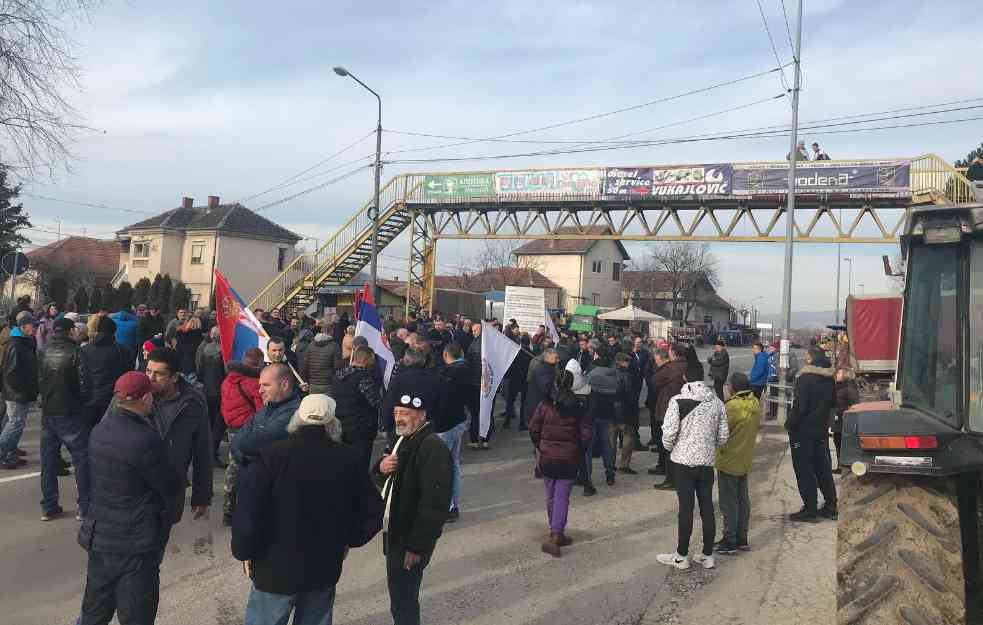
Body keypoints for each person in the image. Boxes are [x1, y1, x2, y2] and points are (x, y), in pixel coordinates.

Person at [232, 394, 384, 625]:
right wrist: (348, 539)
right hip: (323, 566)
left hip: (274, 569)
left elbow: (249, 511)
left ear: (297, 419)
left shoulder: (271, 456)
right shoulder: (348, 458)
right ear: (332, 423)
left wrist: (244, 551)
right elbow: (371, 510)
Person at [77, 372, 182, 625]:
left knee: (94, 611)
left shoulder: (99, 430)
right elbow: (169, 487)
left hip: (100, 537)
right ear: (145, 398)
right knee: (136, 614)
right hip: (134, 543)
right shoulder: (145, 439)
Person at [373, 391, 453, 625]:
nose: (399, 418)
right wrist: (380, 468)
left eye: (405, 414)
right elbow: (382, 482)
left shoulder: (431, 447)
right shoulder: (403, 439)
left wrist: (417, 546)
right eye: (397, 413)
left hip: (409, 538)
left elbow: (434, 504)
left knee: (404, 598)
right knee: (399, 595)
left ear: (421, 416)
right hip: (396, 532)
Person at [657, 362, 729, 571]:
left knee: (686, 509)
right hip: (706, 463)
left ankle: (681, 555)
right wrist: (708, 447)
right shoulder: (716, 402)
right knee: (707, 507)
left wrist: (671, 448)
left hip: (683, 462)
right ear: (704, 378)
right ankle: (707, 554)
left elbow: (669, 433)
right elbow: (724, 435)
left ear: (685, 378)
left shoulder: (677, 401)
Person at [529, 370, 592, 557]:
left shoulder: (545, 405)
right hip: (569, 458)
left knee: (550, 495)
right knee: (562, 496)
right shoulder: (579, 406)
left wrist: (540, 445)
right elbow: (586, 434)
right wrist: (579, 449)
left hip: (548, 457)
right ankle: (557, 533)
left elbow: (534, 428)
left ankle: (554, 530)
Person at [146, 347, 213, 524]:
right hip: (138, 486)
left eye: (158, 374)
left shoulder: (193, 403)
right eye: (148, 371)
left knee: (159, 541)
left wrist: (202, 495)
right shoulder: (134, 395)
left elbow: (203, 451)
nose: (150, 378)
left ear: (175, 377)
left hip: (172, 487)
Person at [37, 318, 91, 520]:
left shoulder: (43, 351)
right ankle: (84, 507)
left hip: (49, 412)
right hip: (71, 412)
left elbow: (39, 381)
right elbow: (85, 385)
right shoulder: (77, 352)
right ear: (70, 332)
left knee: (48, 461)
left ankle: (48, 506)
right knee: (81, 459)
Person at [786, 347, 838, 522]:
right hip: (820, 430)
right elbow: (832, 403)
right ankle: (831, 506)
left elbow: (800, 407)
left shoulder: (805, 378)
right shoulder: (830, 379)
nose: (805, 360)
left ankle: (810, 509)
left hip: (803, 431)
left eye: (807, 357)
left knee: (804, 470)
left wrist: (789, 424)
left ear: (811, 359)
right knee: (823, 469)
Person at [714, 372, 760, 554]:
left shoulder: (731, 407)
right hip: (744, 458)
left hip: (728, 459)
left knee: (728, 502)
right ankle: (742, 538)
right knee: (743, 500)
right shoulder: (754, 403)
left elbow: (720, 433)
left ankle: (730, 540)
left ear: (732, 387)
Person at [220, 348, 265, 527]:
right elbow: (262, 411)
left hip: (232, 428)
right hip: (249, 429)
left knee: (233, 468)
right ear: (258, 363)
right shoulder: (253, 383)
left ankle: (228, 510)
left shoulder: (227, 381)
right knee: (254, 468)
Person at [231, 363, 303, 466]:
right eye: (260, 385)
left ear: (285, 385)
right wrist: (245, 459)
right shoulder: (264, 410)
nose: (260, 391)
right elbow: (236, 442)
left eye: (266, 385)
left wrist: (249, 460)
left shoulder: (295, 413)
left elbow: (250, 444)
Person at [0, 311, 40, 469]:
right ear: (23, 327)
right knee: (14, 423)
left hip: (21, 392)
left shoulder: (25, 342)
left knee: (16, 424)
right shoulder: (16, 345)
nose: (35, 328)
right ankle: (3, 453)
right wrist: (21, 393)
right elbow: (11, 374)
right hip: (16, 394)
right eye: (33, 325)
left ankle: (10, 453)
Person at [334, 345, 383, 470]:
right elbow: (376, 401)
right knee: (360, 466)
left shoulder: (338, 376)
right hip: (360, 429)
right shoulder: (364, 378)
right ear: (367, 360)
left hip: (340, 426)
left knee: (343, 464)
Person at [437, 343, 469, 522]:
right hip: (460, 420)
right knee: (454, 464)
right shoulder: (466, 369)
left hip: (446, 425)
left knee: (444, 466)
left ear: (445, 355)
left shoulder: (447, 373)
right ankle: (453, 505)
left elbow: (442, 400)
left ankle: (448, 506)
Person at [650, 345, 687, 487]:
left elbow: (654, 380)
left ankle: (670, 479)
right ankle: (672, 474)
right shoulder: (687, 365)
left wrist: (663, 366)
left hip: (668, 407)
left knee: (668, 444)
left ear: (674, 354)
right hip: (684, 408)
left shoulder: (670, 368)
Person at [584, 353, 617, 493]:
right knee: (607, 445)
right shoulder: (612, 377)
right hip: (607, 415)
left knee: (588, 448)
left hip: (592, 415)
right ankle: (610, 474)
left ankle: (587, 478)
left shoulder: (591, 376)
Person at [196, 326, 227, 466]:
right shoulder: (224, 352)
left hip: (208, 390)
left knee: (210, 423)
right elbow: (227, 373)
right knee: (218, 425)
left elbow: (199, 370)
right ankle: (212, 453)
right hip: (220, 391)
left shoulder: (204, 349)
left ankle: (208, 453)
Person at [612, 352, 639, 475]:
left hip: (610, 410)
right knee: (628, 437)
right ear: (621, 362)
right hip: (624, 410)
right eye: (626, 361)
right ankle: (624, 464)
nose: (628, 364)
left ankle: (610, 463)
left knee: (611, 439)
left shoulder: (608, 373)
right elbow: (630, 396)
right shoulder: (627, 376)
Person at [465, 322, 487, 449]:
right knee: (486, 410)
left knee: (474, 413)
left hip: (474, 383)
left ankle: (473, 440)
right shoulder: (489, 345)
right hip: (486, 383)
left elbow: (468, 364)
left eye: (474, 331)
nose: (472, 333)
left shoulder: (473, 345)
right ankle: (485, 440)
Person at [832, 368, 859, 471]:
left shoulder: (849, 388)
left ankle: (844, 467)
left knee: (842, 443)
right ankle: (840, 466)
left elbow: (854, 405)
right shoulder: (838, 386)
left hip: (844, 420)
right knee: (837, 442)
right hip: (838, 420)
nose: (836, 374)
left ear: (845, 375)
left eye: (839, 373)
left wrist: (842, 411)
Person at [503, 335, 532, 430]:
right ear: (528, 342)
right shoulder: (531, 354)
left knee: (510, 401)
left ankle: (507, 421)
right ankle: (522, 423)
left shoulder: (515, 353)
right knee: (523, 403)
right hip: (525, 381)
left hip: (514, 379)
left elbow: (510, 366)